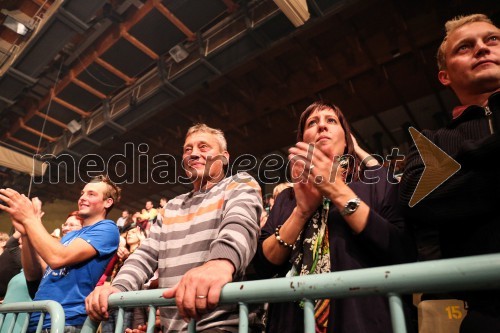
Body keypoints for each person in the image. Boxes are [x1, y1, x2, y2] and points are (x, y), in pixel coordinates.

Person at [253, 101, 416, 333]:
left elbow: (402, 251)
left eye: (331, 121)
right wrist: (301, 212)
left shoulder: (377, 182)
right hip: (290, 324)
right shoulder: (287, 198)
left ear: (346, 138)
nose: (321, 126)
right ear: (302, 140)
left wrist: (336, 191)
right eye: (312, 123)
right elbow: (263, 265)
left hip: (365, 322)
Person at [86, 123, 263, 332]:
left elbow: (239, 223)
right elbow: (145, 254)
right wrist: (117, 287)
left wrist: (220, 263)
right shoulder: (172, 206)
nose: (194, 154)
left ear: (224, 157)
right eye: (188, 149)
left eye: (203, 147)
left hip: (224, 325)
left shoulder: (239, 184)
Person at [399, 13, 500, 333]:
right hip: (487, 312)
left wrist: (468, 162)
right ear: (445, 76)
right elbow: (417, 196)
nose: (482, 49)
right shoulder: (434, 139)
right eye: (465, 47)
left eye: (492, 40)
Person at [0, 174, 121, 332]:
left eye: (91, 194)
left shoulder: (107, 228)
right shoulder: (70, 236)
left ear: (108, 202)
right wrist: (25, 234)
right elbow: (34, 274)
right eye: (82, 193)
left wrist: (31, 219)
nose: (83, 197)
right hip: (37, 318)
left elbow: (58, 258)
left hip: (65, 321)